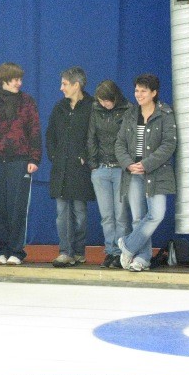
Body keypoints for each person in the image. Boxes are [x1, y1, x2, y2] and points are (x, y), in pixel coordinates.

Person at [0, 62, 42, 265]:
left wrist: (34, 158)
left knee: (17, 207)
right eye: (15, 79)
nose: (19, 83)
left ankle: (16, 250)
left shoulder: (27, 102)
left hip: (20, 161)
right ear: (4, 80)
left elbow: (34, 131)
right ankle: (1, 250)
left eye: (20, 79)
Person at [115, 73, 177, 272]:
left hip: (157, 172)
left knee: (157, 214)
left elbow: (169, 144)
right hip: (133, 172)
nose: (138, 94)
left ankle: (128, 245)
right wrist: (128, 164)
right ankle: (142, 258)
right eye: (136, 90)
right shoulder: (130, 114)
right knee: (138, 217)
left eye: (143, 91)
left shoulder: (165, 113)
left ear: (154, 93)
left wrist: (146, 164)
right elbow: (120, 144)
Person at [46, 66, 95, 267]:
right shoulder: (59, 107)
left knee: (80, 213)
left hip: (80, 170)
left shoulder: (92, 106)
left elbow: (95, 135)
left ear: (76, 85)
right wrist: (54, 155)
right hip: (61, 169)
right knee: (62, 214)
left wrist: (85, 157)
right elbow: (50, 135)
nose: (61, 88)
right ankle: (65, 251)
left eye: (65, 84)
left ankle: (79, 251)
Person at [86, 80, 132, 268]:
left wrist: (126, 163)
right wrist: (93, 164)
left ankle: (122, 252)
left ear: (115, 97)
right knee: (106, 215)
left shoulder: (128, 109)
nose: (104, 104)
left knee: (121, 214)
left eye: (107, 100)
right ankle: (110, 251)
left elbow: (130, 139)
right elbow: (91, 137)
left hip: (121, 168)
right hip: (101, 168)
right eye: (101, 100)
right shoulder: (95, 109)